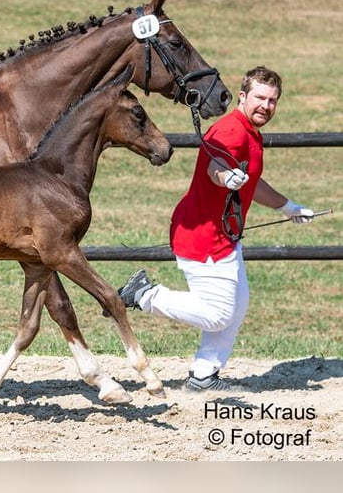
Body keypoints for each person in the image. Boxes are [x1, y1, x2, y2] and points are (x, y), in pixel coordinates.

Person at [118, 65, 315, 392]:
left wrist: (287, 206)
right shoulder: (232, 131)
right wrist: (227, 177)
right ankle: (144, 295)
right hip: (203, 236)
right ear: (243, 96)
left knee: (236, 306)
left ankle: (203, 375)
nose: (266, 106)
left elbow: (250, 179)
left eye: (272, 100)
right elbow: (216, 166)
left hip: (224, 233)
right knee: (219, 314)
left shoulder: (249, 131)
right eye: (260, 98)